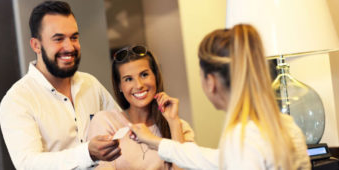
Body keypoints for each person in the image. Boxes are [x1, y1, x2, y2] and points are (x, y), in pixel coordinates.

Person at [129, 24, 311, 170]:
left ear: (211, 81)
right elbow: (215, 160)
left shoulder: (241, 137)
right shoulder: (285, 125)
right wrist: (154, 140)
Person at [0, 1, 121, 169]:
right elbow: (29, 164)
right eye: (58, 39)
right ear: (36, 45)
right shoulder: (17, 100)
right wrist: (87, 153)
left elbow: (121, 127)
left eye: (74, 37)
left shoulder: (90, 84)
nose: (69, 47)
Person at [87, 45, 194, 169]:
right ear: (119, 86)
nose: (138, 85)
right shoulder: (106, 122)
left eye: (144, 75)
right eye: (128, 79)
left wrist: (174, 123)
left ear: (155, 77)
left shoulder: (180, 128)